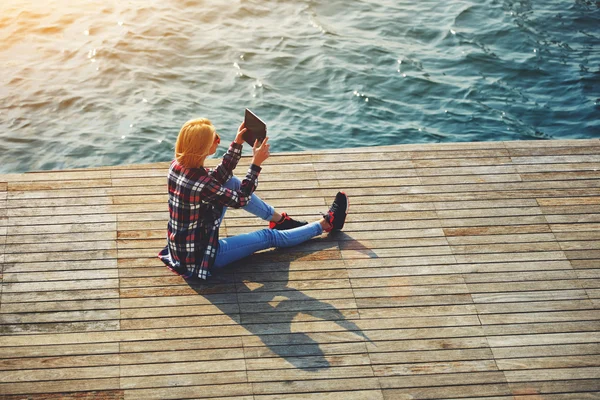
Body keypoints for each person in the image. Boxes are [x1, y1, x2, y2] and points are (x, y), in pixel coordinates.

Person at [158, 117, 348, 280]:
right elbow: (241, 200)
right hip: (200, 255)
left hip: (183, 243)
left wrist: (237, 144)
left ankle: (281, 221)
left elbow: (217, 178)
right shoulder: (203, 184)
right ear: (203, 148)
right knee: (267, 237)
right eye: (214, 139)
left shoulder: (177, 166)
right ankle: (326, 224)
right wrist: (255, 165)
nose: (218, 140)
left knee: (230, 181)